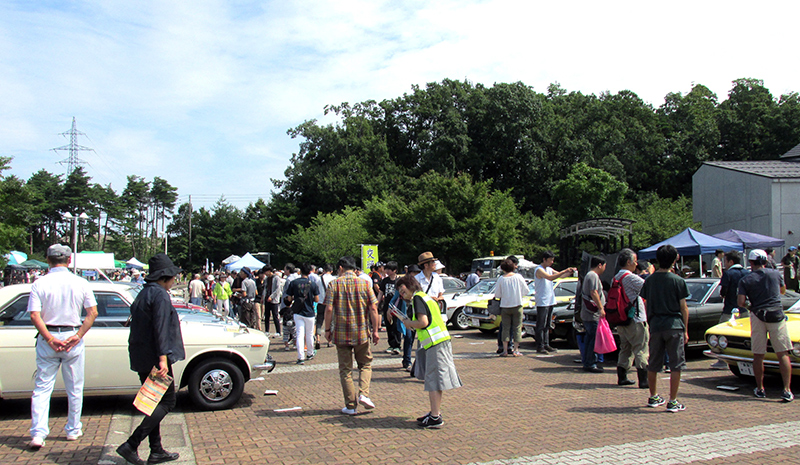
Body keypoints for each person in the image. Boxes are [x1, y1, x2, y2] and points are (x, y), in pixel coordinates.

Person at [27, 244, 98, 450]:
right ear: (69, 261)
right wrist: (77, 336)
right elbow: (92, 313)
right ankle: (73, 429)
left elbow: (34, 315)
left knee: (42, 387)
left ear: (48, 261)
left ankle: (38, 433)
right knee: (74, 387)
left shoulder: (39, 283)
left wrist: (49, 338)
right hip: (72, 336)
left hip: (48, 337)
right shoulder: (80, 283)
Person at [116, 253, 184, 465]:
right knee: (167, 401)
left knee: (152, 403)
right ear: (164, 276)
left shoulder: (144, 293)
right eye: (172, 276)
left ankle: (156, 450)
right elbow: (160, 328)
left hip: (141, 354)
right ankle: (132, 443)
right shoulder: (160, 295)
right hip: (156, 357)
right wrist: (163, 358)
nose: (174, 280)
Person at [394, 274, 462, 429]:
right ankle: (434, 413)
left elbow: (422, 322)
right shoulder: (424, 297)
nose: (400, 292)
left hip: (435, 343)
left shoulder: (418, 298)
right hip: (436, 342)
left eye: (401, 288)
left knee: (433, 381)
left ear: (410, 284)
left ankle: (435, 416)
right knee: (434, 380)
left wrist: (407, 322)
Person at [323, 256, 379, 415]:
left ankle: (350, 405)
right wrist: (375, 330)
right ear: (354, 269)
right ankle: (364, 394)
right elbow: (373, 309)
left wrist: (327, 330)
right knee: (366, 364)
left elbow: (328, 309)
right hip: (361, 332)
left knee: (345, 370)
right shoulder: (365, 283)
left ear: (340, 268)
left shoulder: (334, 284)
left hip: (341, 334)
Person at [738, 249, 793, 402]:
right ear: (765, 260)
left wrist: (751, 306)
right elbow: (782, 290)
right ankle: (787, 389)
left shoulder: (746, 280)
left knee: (758, 354)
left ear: (751, 262)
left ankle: (760, 388)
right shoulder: (775, 274)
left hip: (758, 315)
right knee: (782, 353)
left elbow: (741, 302)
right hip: (777, 314)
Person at [641, 245, 689, 413]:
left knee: (653, 363)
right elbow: (683, 307)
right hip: (674, 325)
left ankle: (653, 396)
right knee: (676, 364)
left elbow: (645, 303)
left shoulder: (650, 280)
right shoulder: (678, 281)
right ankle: (673, 400)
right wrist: (686, 329)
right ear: (674, 259)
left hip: (655, 325)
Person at [613, 249, 649, 388]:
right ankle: (644, 379)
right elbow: (648, 287)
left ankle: (622, 376)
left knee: (625, 348)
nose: (636, 264)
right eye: (635, 260)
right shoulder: (630, 277)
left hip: (621, 319)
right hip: (636, 318)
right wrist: (648, 273)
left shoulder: (615, 277)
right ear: (628, 262)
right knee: (641, 348)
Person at [534, 251, 575, 354]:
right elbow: (550, 277)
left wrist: (569, 272)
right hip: (542, 301)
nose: (552, 262)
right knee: (541, 324)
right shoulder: (539, 270)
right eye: (550, 260)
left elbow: (560, 276)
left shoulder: (549, 269)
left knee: (548, 324)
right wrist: (564, 270)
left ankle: (546, 344)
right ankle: (540, 345)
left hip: (550, 299)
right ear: (544, 259)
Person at [285, 263, 320, 365]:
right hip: (309, 312)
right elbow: (317, 299)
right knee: (309, 334)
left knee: (299, 334)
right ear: (310, 272)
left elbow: (289, 298)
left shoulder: (294, 283)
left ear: (300, 272)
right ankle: (309, 353)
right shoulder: (312, 284)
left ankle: (300, 357)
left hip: (297, 312)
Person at [493, 258, 527, 357]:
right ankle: (516, 349)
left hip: (505, 306)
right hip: (517, 305)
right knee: (517, 327)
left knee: (505, 328)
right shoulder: (518, 277)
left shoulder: (501, 279)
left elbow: (497, 295)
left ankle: (505, 350)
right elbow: (526, 290)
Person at [580, 256, 607, 373]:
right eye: (605, 266)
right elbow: (594, 292)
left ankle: (588, 362)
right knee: (592, 339)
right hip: (591, 314)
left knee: (590, 338)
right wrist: (601, 308)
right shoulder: (593, 275)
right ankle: (590, 363)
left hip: (588, 314)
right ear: (599, 265)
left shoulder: (589, 275)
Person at [378, 261, 401, 355]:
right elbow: (381, 292)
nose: (386, 271)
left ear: (394, 270)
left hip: (397, 307)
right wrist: (377, 302)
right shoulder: (385, 281)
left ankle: (397, 345)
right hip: (387, 306)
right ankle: (391, 345)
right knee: (389, 325)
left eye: (389, 269)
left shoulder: (399, 281)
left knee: (396, 325)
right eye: (386, 269)